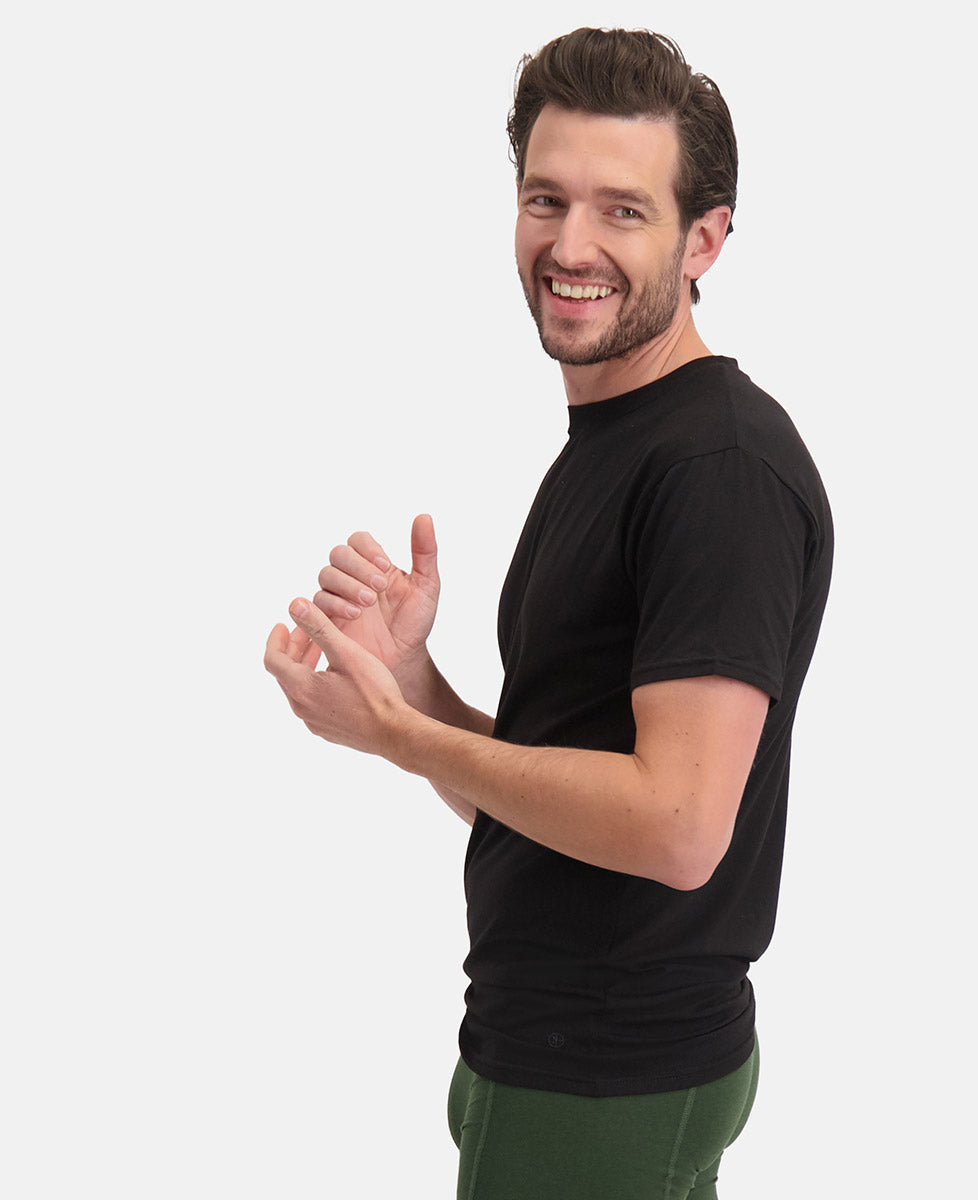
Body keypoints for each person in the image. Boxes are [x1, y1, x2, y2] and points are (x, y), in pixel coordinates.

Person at [264, 27, 833, 1200]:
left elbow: (677, 826)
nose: (571, 246)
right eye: (545, 199)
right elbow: (559, 791)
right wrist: (417, 692)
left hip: (606, 1074)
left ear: (704, 240)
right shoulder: (617, 443)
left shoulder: (717, 469)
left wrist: (402, 736)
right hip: (552, 1055)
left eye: (623, 210)